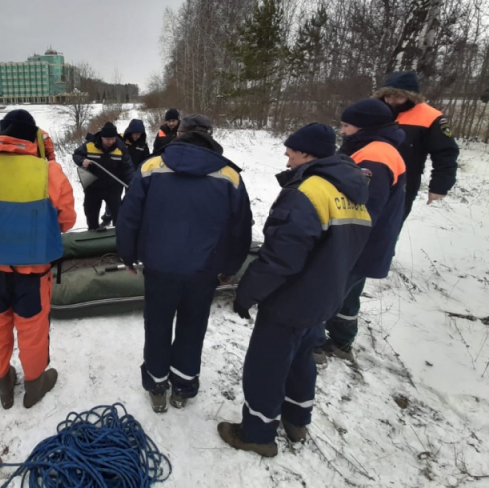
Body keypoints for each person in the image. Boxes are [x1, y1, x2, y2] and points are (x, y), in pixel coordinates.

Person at [218, 123, 371, 457]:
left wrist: (248, 294)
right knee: (302, 359)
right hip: (325, 296)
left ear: (306, 152)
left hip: (291, 300)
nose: (287, 162)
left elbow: (281, 258)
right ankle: (297, 420)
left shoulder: (308, 191)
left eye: (289, 154)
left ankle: (257, 433)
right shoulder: (351, 191)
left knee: (266, 365)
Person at [116, 114, 253, 412]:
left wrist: (127, 254)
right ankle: (183, 386)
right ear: (210, 136)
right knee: (193, 327)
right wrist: (230, 267)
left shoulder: (152, 167)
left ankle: (156, 385)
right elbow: (240, 227)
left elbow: (129, 215)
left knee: (157, 325)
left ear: (181, 133)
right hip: (203, 270)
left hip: (159, 267)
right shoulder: (229, 175)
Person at [0, 109, 76, 409]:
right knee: (33, 331)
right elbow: (67, 220)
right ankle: (35, 386)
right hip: (32, 273)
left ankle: (4, 385)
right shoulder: (48, 172)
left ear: (1, 134)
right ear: (31, 137)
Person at [315, 99, 407, 363]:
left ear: (364, 127)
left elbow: (365, 207)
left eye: (346, 126)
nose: (342, 131)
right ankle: (343, 342)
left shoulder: (373, 157)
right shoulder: (380, 149)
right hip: (369, 244)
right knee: (348, 294)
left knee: (327, 293)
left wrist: (337, 241)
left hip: (356, 243)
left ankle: (315, 345)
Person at [374, 71, 458, 219]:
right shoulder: (374, 111)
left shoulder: (431, 117)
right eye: (388, 96)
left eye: (398, 96)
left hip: (405, 181)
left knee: (389, 226)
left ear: (411, 96)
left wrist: (439, 185)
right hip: (369, 175)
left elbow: (445, 153)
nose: (392, 101)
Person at [73, 122, 134, 230]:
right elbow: (76, 154)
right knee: (90, 214)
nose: (111, 142)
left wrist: (132, 183)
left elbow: (128, 168)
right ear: (102, 137)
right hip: (93, 187)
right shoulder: (89, 145)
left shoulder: (120, 148)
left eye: (113, 139)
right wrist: (82, 161)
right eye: (107, 139)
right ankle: (93, 232)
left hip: (113, 187)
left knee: (119, 215)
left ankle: (119, 236)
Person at [99, 119, 150, 226]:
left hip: (132, 176)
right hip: (116, 174)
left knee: (130, 198)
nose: (136, 136)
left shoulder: (143, 146)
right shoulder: (120, 140)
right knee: (113, 198)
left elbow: (146, 161)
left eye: (139, 134)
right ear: (130, 132)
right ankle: (107, 218)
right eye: (134, 134)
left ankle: (125, 219)